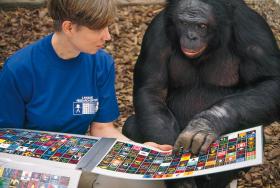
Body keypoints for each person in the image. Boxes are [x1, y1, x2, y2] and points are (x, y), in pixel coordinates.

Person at [0, 0, 172, 187]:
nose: (107, 36)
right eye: (98, 29)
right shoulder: (19, 69)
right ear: (69, 27)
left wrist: (140, 150)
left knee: (149, 183)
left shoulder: (101, 64)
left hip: (78, 162)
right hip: (30, 167)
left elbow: (102, 128)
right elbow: (8, 139)